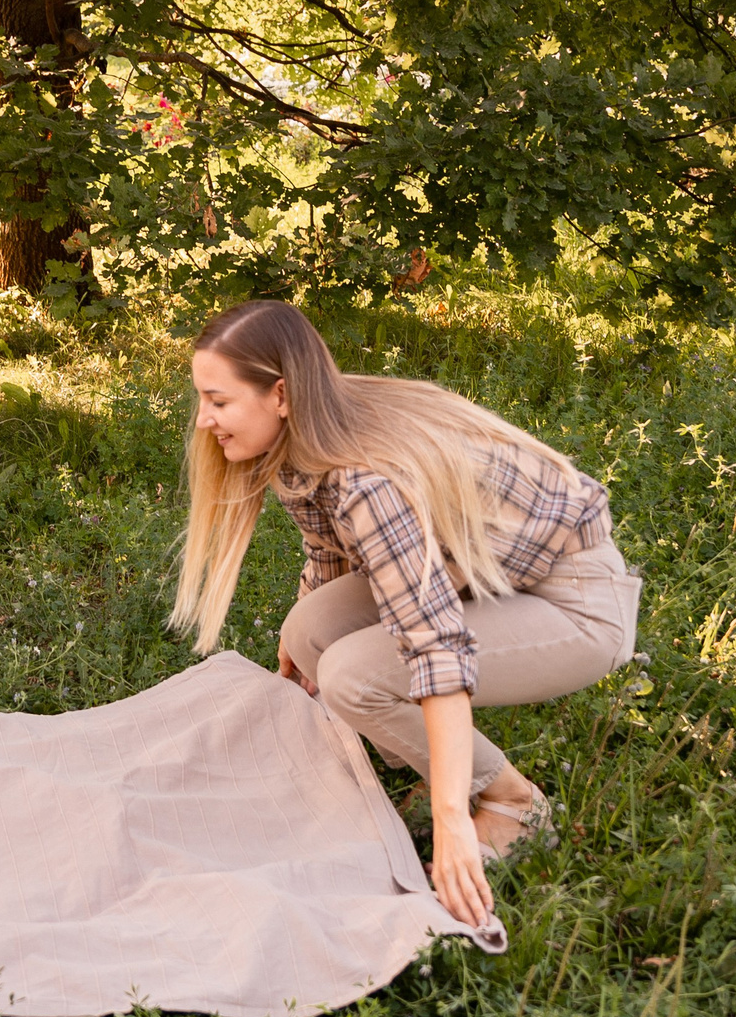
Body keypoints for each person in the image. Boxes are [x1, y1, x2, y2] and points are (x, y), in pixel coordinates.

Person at [171, 299, 641, 929]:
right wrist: (299, 638)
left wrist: (450, 823)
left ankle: (512, 802)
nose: (204, 419)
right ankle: (440, 768)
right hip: (484, 575)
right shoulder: (309, 433)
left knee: (354, 676)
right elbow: (332, 549)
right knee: (310, 634)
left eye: (218, 400)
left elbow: (437, 653)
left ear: (279, 394)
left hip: (574, 600)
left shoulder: (366, 480)